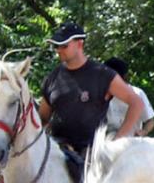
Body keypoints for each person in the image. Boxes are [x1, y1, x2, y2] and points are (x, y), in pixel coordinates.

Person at [40, 22, 144, 157]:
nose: (59, 50)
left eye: (64, 45)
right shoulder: (53, 78)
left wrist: (117, 141)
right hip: (56, 153)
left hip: (91, 156)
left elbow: (137, 103)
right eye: (56, 46)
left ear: (79, 44)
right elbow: (42, 118)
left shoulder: (103, 74)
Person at [103, 57, 154, 137]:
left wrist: (143, 132)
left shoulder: (137, 94)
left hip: (132, 142)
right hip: (107, 140)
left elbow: (150, 121)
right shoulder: (100, 94)